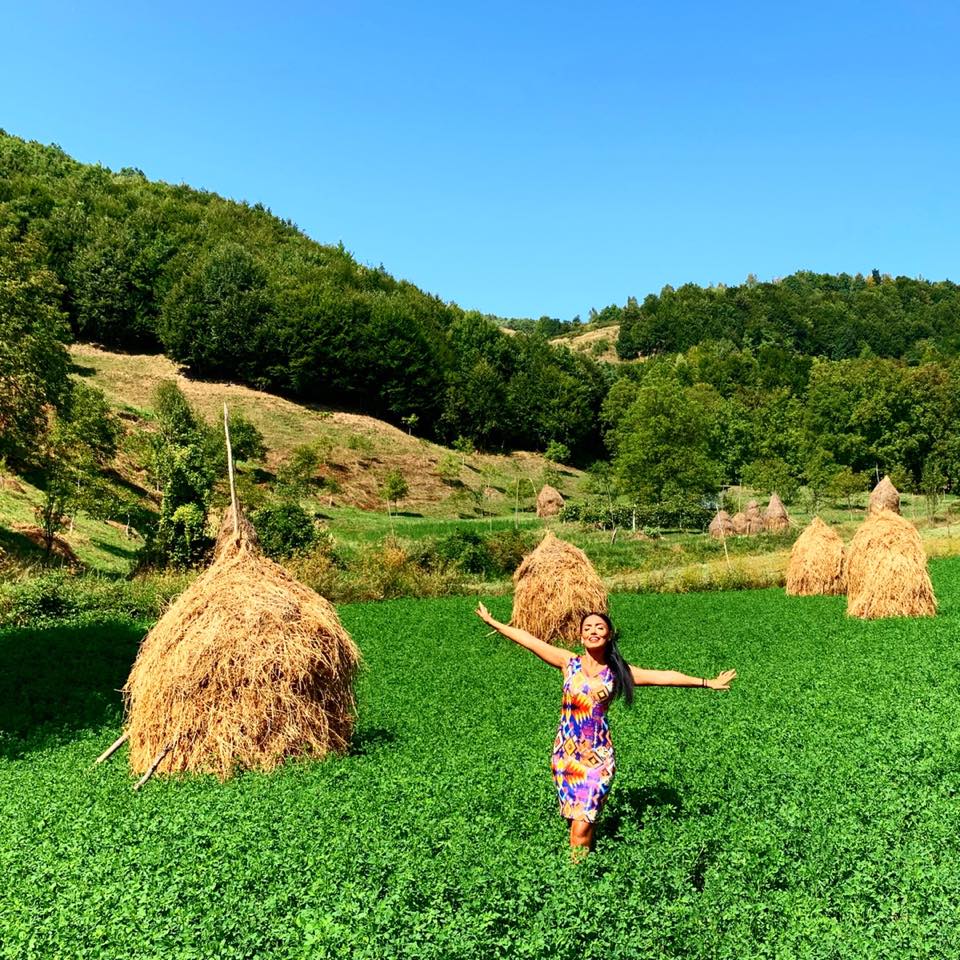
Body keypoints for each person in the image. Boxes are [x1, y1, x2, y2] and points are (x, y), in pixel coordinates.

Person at [475, 603, 736, 857]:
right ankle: (583, 866)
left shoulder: (617, 672)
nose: (593, 631)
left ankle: (577, 876)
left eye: (599, 627)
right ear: (581, 636)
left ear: (608, 635)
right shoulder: (568, 662)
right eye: (587, 627)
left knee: (581, 826)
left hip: (598, 757)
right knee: (576, 822)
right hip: (565, 755)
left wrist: (707, 682)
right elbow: (529, 640)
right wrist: (494, 623)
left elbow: (665, 676)